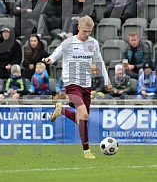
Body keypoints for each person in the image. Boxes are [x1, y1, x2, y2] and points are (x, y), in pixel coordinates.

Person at [43, 15, 111, 159]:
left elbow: (100, 62)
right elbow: (56, 53)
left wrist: (107, 79)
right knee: (84, 114)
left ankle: (61, 110)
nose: (87, 34)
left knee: (82, 119)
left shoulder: (93, 43)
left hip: (86, 84)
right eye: (85, 31)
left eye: (90, 31)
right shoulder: (69, 43)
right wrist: (50, 59)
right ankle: (87, 151)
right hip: (71, 84)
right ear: (79, 28)